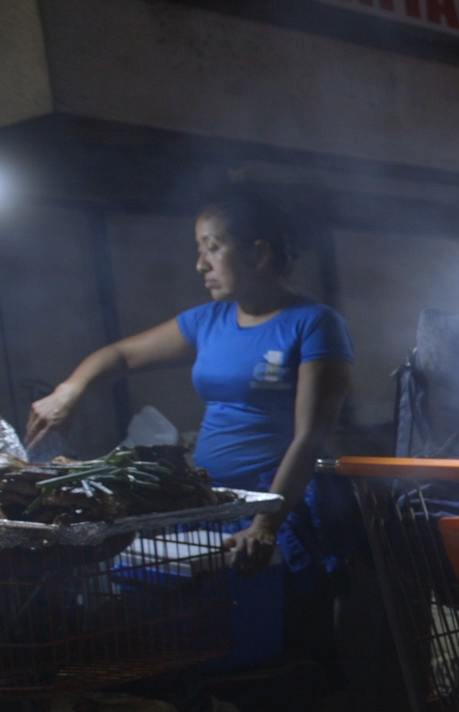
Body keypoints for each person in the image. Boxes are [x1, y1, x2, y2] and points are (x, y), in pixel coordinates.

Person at [26, 192, 354, 583]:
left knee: (287, 621)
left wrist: (266, 523)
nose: (201, 264)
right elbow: (121, 356)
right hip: (217, 501)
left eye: (213, 248)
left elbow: (310, 436)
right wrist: (69, 391)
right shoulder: (208, 321)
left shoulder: (313, 323)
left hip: (281, 504)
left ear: (259, 254)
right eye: (200, 250)